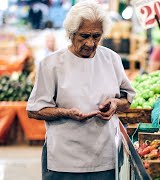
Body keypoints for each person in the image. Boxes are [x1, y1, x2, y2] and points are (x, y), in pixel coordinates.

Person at [26, 1, 135, 179]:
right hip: (64, 160)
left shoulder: (111, 59)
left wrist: (115, 103)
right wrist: (66, 112)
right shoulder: (51, 64)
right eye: (84, 36)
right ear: (71, 33)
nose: (90, 43)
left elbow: (128, 99)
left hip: (104, 156)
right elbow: (34, 110)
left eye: (96, 36)